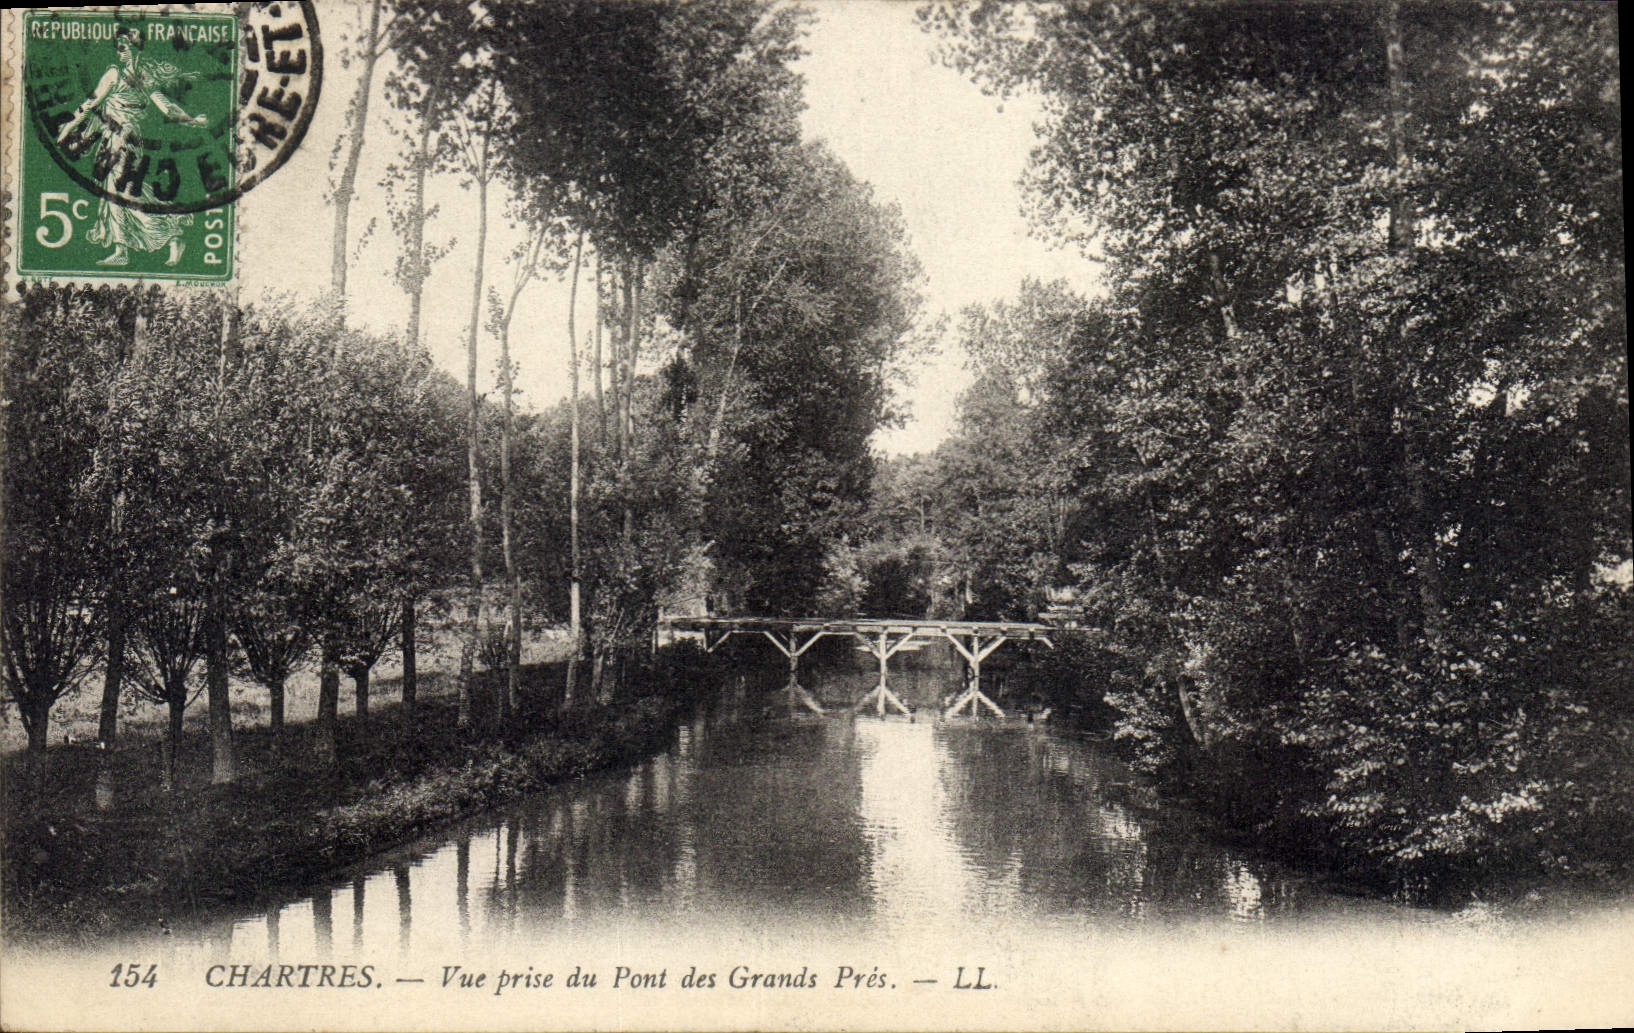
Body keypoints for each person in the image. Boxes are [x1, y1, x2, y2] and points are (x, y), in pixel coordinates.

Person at [55, 27, 208, 267]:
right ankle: (164, 239)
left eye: (123, 48)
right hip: (122, 139)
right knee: (132, 190)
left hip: (124, 140)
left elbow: (166, 108)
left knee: (120, 192)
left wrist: (192, 121)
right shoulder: (131, 75)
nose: (119, 53)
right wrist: (68, 127)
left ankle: (136, 246)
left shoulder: (123, 75)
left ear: (135, 47)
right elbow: (91, 104)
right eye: (117, 49)